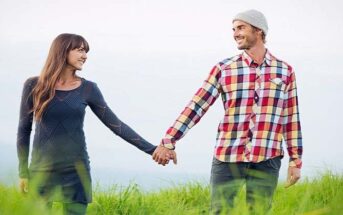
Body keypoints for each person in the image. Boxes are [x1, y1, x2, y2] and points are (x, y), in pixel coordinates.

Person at [153, 9, 303, 213]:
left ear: (258, 30)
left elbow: (291, 118)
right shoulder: (224, 69)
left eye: (241, 27)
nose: (235, 33)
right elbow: (197, 105)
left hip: (267, 157)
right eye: (234, 29)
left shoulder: (285, 71)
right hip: (228, 156)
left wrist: (295, 160)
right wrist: (169, 141)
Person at [16, 33, 175, 215]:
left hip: (75, 173)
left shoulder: (88, 89)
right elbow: (23, 130)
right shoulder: (33, 85)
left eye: (86, 51)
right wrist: (23, 172)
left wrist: (153, 149)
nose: (85, 56)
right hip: (40, 172)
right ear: (62, 51)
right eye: (80, 50)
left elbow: (117, 125)